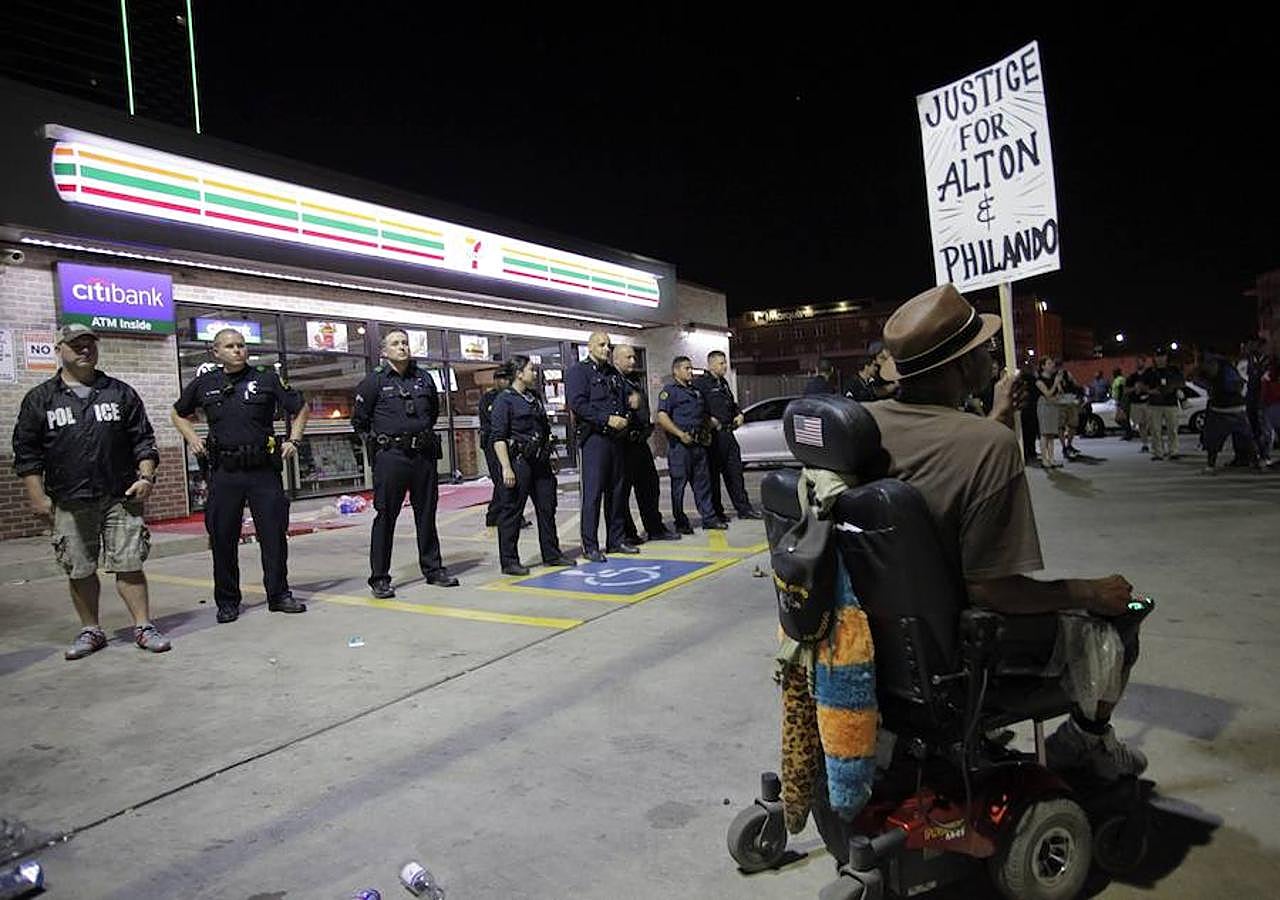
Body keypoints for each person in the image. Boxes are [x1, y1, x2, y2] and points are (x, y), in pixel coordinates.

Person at [870, 284, 1147, 780]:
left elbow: (938, 467)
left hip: (882, 640)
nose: (993, 355)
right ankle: (1087, 740)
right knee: (1121, 620)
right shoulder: (988, 446)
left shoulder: (863, 426)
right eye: (985, 349)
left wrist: (994, 420)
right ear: (960, 369)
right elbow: (992, 588)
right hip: (957, 645)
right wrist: (1089, 593)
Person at [13, 324, 171, 658]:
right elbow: (27, 452)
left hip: (120, 496)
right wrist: (37, 496)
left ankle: (143, 626)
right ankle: (91, 630)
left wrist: (146, 476)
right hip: (69, 499)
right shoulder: (40, 399)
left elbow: (143, 440)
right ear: (60, 349)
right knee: (79, 567)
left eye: (89, 345)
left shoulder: (120, 392)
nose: (85, 350)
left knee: (129, 563)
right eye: (76, 345)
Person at [172, 328, 309, 622]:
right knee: (222, 537)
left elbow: (300, 408)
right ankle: (227, 601)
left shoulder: (266, 378)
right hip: (225, 471)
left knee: (273, 535)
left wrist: (294, 440)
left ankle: (279, 594)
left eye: (242, 345)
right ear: (216, 352)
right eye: (230, 346)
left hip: (262, 471)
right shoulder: (205, 384)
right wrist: (192, 438)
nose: (238, 350)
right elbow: (177, 413)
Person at [352, 329, 458, 597]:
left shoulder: (423, 378)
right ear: (384, 351)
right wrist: (379, 450)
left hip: (422, 455)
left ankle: (433, 569)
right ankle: (379, 578)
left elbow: (432, 412)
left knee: (426, 514)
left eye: (405, 343)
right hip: (391, 457)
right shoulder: (374, 382)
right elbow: (360, 421)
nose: (402, 347)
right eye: (396, 344)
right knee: (386, 516)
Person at [490, 356, 577, 575]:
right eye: (531, 369)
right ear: (519, 373)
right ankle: (509, 561)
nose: (535, 373)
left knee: (547, 508)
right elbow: (498, 437)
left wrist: (552, 455)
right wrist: (506, 467)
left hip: (541, 461)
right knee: (512, 511)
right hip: (519, 462)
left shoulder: (534, 397)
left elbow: (545, 430)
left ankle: (552, 554)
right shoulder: (504, 400)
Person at [611, 344, 681, 543]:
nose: (633, 361)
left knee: (650, 487)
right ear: (616, 359)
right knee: (622, 493)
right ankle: (628, 534)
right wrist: (627, 403)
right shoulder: (612, 382)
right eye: (628, 358)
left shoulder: (634, 381)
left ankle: (655, 528)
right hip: (623, 445)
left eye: (634, 357)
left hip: (640, 444)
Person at [656, 356, 727, 534]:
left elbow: (702, 415)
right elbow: (662, 416)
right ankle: (680, 522)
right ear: (676, 371)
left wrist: (711, 425)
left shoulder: (695, 391)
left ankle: (709, 518)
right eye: (686, 368)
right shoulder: (669, 391)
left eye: (690, 368)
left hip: (698, 444)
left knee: (703, 483)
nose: (690, 372)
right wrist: (680, 434)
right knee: (679, 485)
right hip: (680, 446)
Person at [694, 350, 761, 522]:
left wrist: (738, 414)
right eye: (721, 363)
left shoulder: (723, 383)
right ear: (710, 364)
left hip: (728, 435)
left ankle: (744, 509)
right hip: (713, 437)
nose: (725, 366)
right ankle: (717, 512)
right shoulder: (701, 384)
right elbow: (697, 408)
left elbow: (731, 404)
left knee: (735, 474)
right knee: (713, 477)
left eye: (725, 363)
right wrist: (707, 420)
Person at [1199, 350, 1258, 473]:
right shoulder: (1226, 370)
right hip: (1225, 408)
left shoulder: (1227, 372)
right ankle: (1211, 465)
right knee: (1214, 440)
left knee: (1244, 438)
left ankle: (1255, 462)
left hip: (1230, 409)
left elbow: (1237, 386)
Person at [479, 364, 514, 528]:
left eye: (505, 378)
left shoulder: (511, 396)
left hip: (507, 443)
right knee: (501, 481)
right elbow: (492, 422)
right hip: (492, 443)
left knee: (504, 481)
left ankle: (494, 514)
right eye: (499, 378)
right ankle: (502, 515)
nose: (503, 381)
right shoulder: (489, 398)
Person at [1142, 348, 1185, 461]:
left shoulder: (1173, 370)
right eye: (1158, 356)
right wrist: (1152, 391)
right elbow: (1142, 386)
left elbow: (1181, 382)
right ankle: (1158, 453)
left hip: (1171, 404)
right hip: (1154, 404)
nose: (1160, 359)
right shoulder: (1150, 372)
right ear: (1155, 358)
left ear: (1166, 357)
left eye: (1162, 356)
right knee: (1155, 430)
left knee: (1173, 429)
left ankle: (1173, 451)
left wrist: (1171, 388)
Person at [1034, 356, 1065, 468]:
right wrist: (1056, 383)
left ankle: (1052, 458)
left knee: (1051, 434)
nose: (1052, 365)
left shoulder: (1054, 378)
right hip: (1044, 406)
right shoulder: (1039, 381)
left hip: (1053, 406)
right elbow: (1047, 393)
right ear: (1043, 366)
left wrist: (1059, 384)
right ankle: (1044, 459)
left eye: (1052, 363)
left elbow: (1059, 393)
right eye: (1049, 363)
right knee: (1044, 433)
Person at [1126, 356, 1151, 451]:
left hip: (1148, 403)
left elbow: (1154, 388)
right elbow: (1126, 390)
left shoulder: (1149, 375)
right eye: (1137, 362)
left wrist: (1144, 388)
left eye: (1140, 362)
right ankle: (1145, 444)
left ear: (1144, 363)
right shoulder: (1132, 377)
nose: (1138, 364)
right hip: (1136, 403)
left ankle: (1157, 444)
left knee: (1151, 424)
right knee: (1141, 425)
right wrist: (1134, 388)